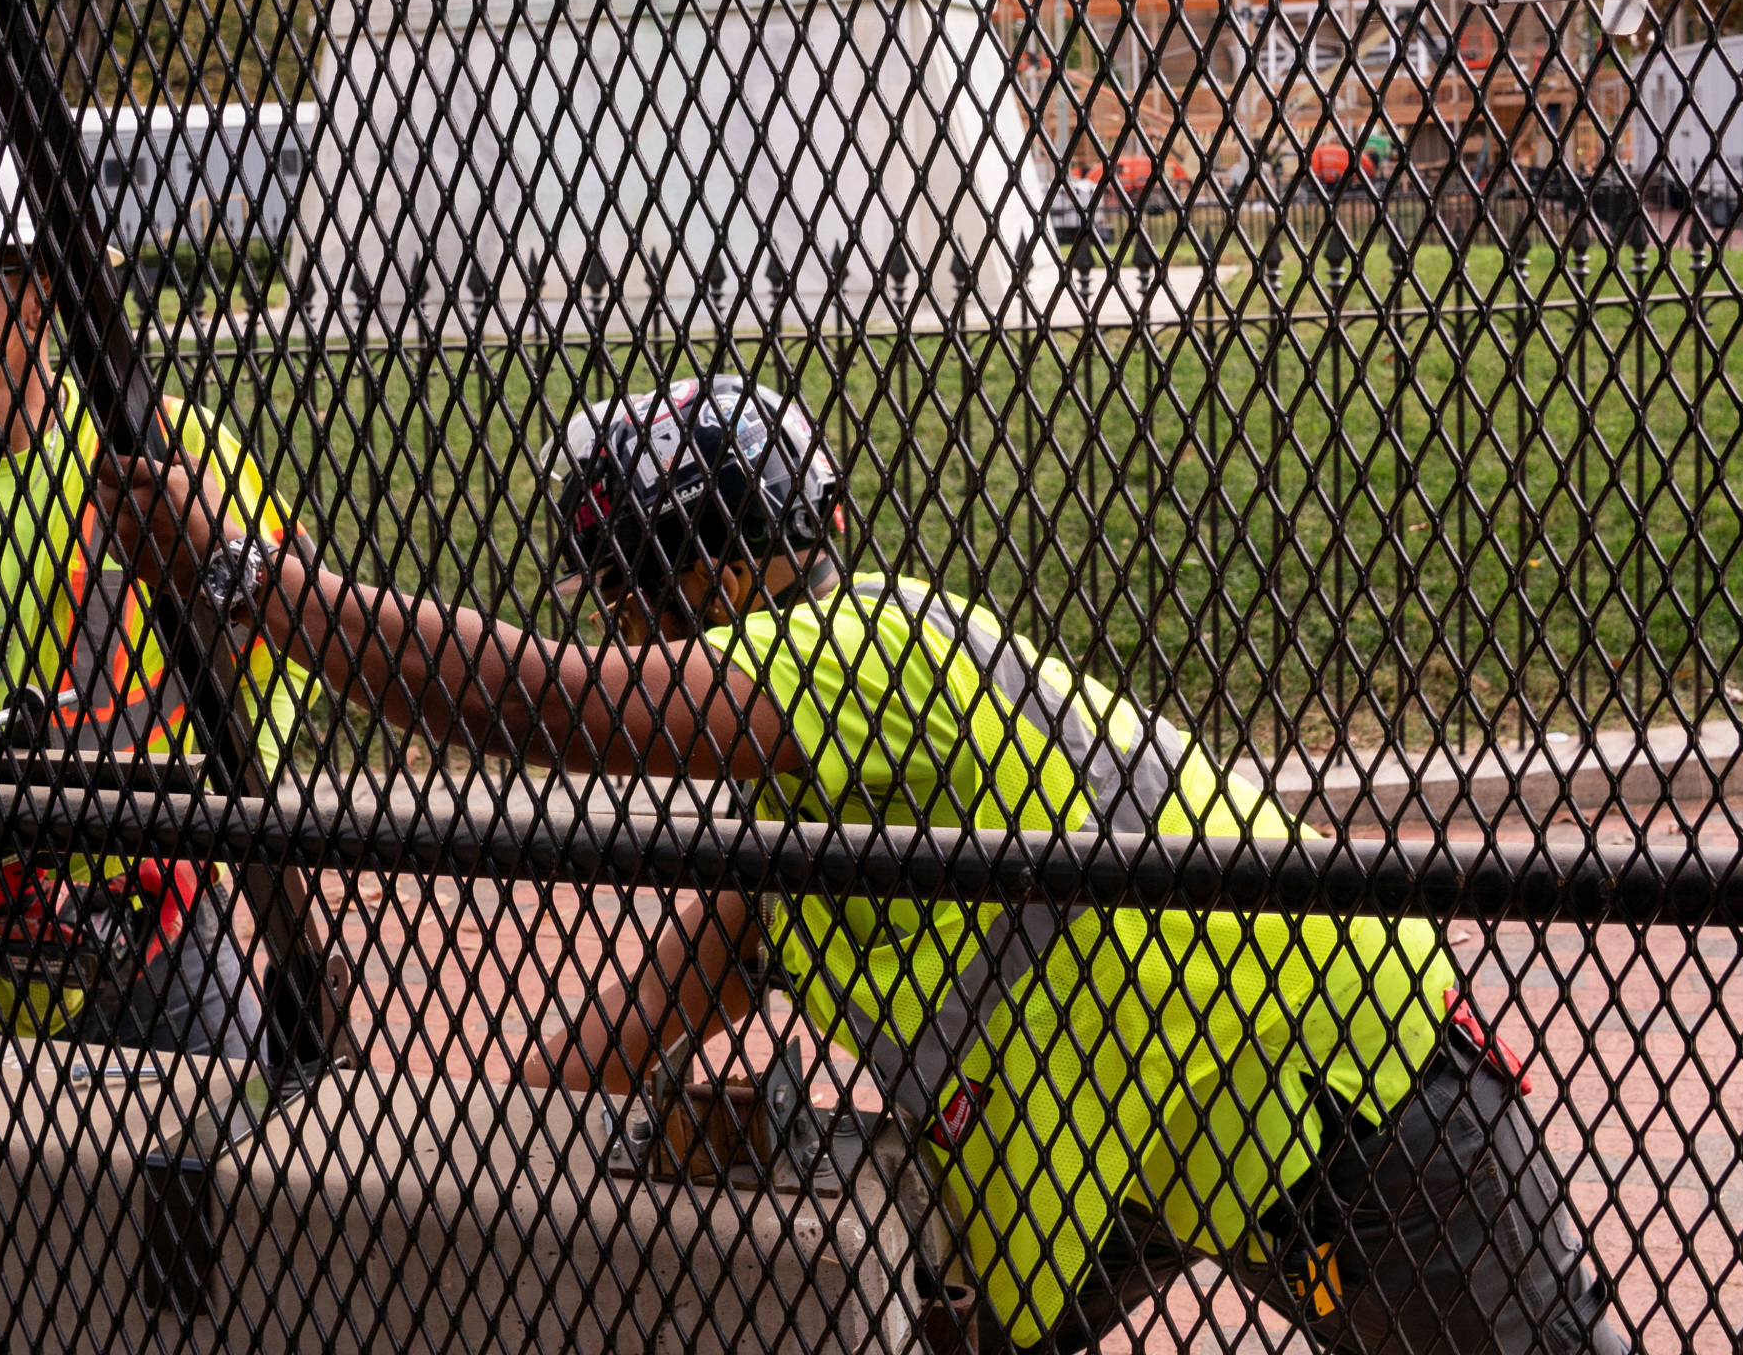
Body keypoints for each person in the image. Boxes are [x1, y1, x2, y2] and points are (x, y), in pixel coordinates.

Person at [108, 375, 1630, 1353]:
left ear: (748, 560)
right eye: (619, 589)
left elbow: (556, 711)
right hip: (1141, 1169)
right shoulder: (791, 848)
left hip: (1354, 1109)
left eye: (653, 581)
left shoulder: (871, 648)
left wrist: (248, 584)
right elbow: (609, 1046)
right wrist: (404, 1165)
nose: (632, 625)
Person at [0, 121, 305, 1054]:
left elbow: (288, 658)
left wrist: (197, 832)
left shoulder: (179, 461)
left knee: (226, 1173)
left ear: (36, 294)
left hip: (147, 924)